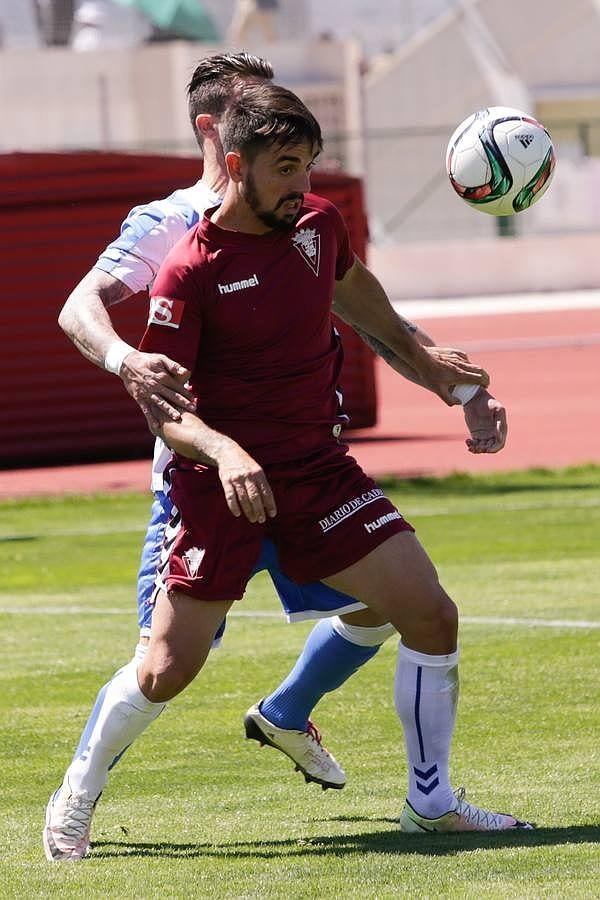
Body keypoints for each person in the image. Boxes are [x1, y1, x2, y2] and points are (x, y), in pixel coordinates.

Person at [44, 80, 528, 862]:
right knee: (165, 669)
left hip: (317, 473)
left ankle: (431, 804)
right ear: (234, 161)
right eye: (286, 168)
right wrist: (227, 451)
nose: (302, 184)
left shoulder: (319, 226)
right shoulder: (186, 266)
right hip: (215, 489)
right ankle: (76, 792)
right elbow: (162, 408)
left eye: (308, 165)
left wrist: (463, 391)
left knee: (429, 615)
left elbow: (382, 323)